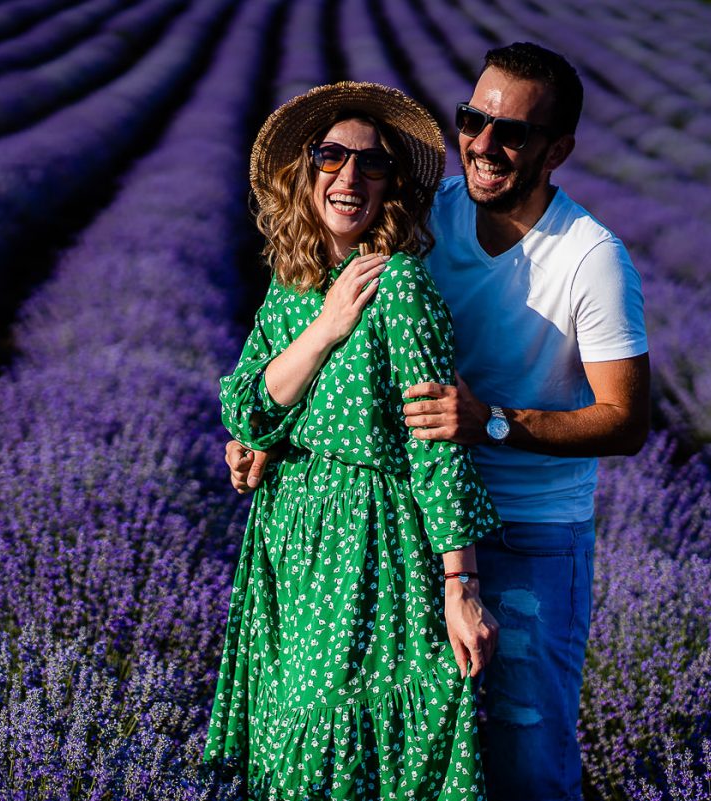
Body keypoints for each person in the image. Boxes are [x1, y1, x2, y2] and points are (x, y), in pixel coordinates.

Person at [226, 44, 650, 801]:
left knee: (524, 755)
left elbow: (625, 420)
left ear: (558, 150)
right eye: (473, 121)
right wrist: (263, 436)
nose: (484, 144)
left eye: (511, 133)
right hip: (401, 532)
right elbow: (306, 368)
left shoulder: (591, 260)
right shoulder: (434, 214)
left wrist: (489, 423)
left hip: (523, 526)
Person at [203, 81, 501, 800]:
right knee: (285, 740)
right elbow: (245, 404)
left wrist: (461, 585)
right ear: (303, 173)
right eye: (330, 155)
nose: (349, 176)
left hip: (366, 549)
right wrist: (323, 331)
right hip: (287, 545)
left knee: (331, 745)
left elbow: (438, 449)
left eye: (371, 164)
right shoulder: (292, 281)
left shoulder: (401, 286)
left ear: (392, 185)